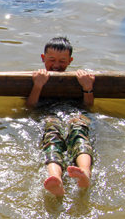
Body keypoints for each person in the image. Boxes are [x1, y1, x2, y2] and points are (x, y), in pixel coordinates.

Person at [26, 36, 95, 196]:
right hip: (49, 114)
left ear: (70, 61)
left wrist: (87, 87)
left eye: (62, 61)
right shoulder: (38, 77)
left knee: (79, 130)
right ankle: (55, 178)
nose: (56, 65)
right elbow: (30, 106)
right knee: (52, 135)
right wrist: (38, 85)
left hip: (74, 112)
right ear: (43, 58)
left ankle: (85, 172)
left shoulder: (77, 78)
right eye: (52, 59)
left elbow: (88, 106)